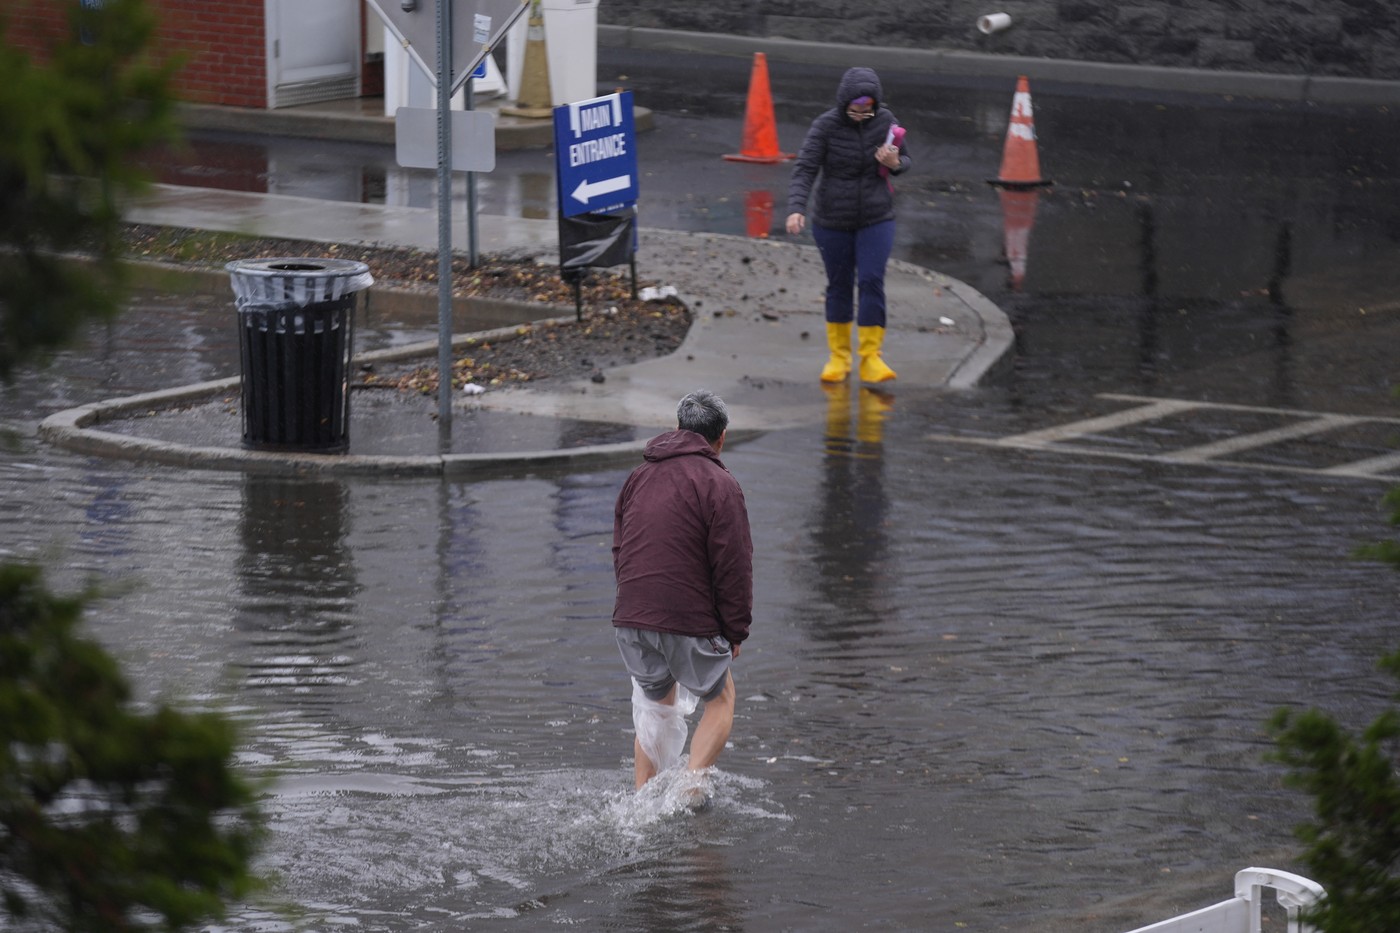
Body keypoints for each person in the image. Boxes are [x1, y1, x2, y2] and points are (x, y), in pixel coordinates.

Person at [612, 389, 753, 794]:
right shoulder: (720, 484)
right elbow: (734, 564)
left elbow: (621, 548)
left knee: (655, 707)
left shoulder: (638, 476)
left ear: (676, 428)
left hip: (630, 616)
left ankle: (641, 800)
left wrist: (634, 604)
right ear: (721, 438)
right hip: (685, 616)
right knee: (721, 698)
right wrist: (735, 630)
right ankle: (690, 792)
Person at [786, 66, 911, 384]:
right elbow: (805, 168)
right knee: (839, 285)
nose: (860, 115)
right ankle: (839, 357)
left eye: (867, 110)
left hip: (876, 217)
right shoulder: (825, 125)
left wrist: (894, 162)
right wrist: (797, 208)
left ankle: (871, 357)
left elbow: (905, 160)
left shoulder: (886, 120)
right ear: (844, 104)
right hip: (832, 220)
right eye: (855, 110)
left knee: (871, 281)